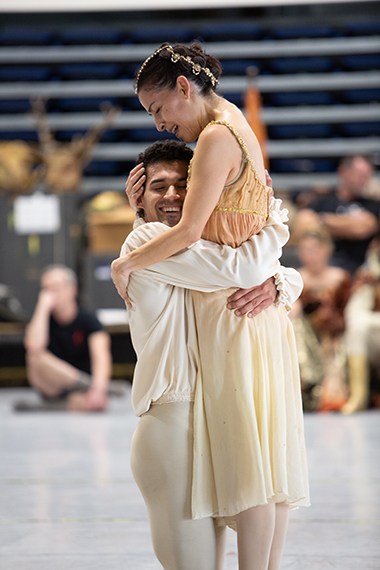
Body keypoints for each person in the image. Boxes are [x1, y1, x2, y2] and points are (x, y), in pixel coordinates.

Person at [112, 43, 310, 570]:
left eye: (188, 184)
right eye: (159, 188)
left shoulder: (185, 236)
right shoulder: (147, 245)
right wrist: (275, 231)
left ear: (183, 88)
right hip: (175, 428)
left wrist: (280, 280)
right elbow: (237, 266)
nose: (175, 195)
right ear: (138, 197)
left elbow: (232, 261)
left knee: (263, 483)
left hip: (212, 409)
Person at [20, 264, 112, 412]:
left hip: (80, 389)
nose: (50, 293)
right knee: (34, 357)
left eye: (56, 287)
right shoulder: (43, 320)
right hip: (53, 385)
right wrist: (42, 307)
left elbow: (101, 355)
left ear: (72, 290)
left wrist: (99, 387)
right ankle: (92, 386)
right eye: (46, 288)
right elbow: (34, 347)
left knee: (91, 404)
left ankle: (56, 406)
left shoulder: (88, 320)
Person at [290, 229, 352, 411]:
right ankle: (306, 384)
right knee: (295, 324)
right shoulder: (295, 278)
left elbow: (347, 314)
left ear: (326, 249)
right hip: (305, 340)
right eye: (304, 250)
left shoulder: (340, 278)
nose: (309, 255)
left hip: (335, 338)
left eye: (314, 249)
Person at [293, 155, 379, 275]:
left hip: (358, 271)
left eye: (367, 176)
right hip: (322, 271)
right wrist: (347, 224)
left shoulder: (372, 205)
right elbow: (302, 225)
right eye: (360, 175)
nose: (364, 180)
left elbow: (361, 228)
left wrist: (322, 222)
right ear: (343, 172)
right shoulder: (324, 201)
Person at [343, 235, 380, 413]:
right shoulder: (367, 277)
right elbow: (353, 315)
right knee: (357, 329)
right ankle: (359, 396)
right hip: (375, 338)